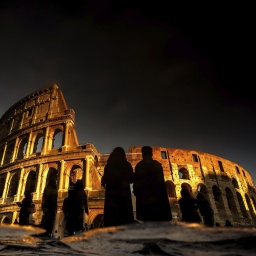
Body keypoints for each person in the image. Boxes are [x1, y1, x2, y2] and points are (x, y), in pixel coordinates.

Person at [133, 146, 172, 222]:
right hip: (157, 197)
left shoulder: (139, 165)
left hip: (145, 198)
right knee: (159, 220)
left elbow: (137, 182)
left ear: (142, 154)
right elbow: (161, 182)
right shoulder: (156, 165)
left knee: (147, 220)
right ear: (152, 154)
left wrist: (136, 191)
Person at [101, 146, 135, 227]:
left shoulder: (108, 166)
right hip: (124, 197)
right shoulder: (126, 164)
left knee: (111, 220)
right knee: (124, 219)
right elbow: (132, 179)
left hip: (111, 198)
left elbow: (104, 181)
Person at [41, 173, 58, 237]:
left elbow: (45, 197)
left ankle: (46, 231)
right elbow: (50, 197)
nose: (55, 179)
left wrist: (43, 206)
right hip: (50, 206)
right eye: (55, 178)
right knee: (49, 220)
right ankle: (46, 232)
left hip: (49, 206)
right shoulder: (52, 186)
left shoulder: (49, 186)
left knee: (48, 219)